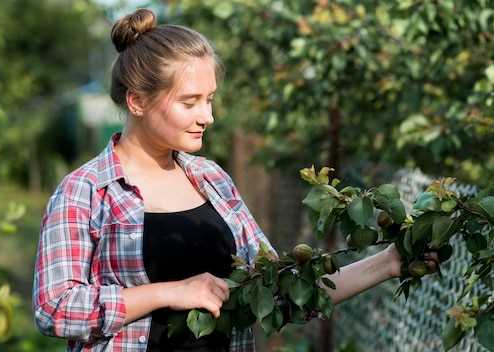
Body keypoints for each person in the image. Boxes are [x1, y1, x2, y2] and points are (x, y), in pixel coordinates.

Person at [32, 8, 437, 352]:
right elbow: (54, 308)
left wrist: (388, 263)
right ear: (137, 101)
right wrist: (172, 291)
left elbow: (281, 289)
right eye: (189, 102)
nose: (207, 116)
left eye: (209, 99)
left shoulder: (210, 179)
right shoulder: (86, 191)